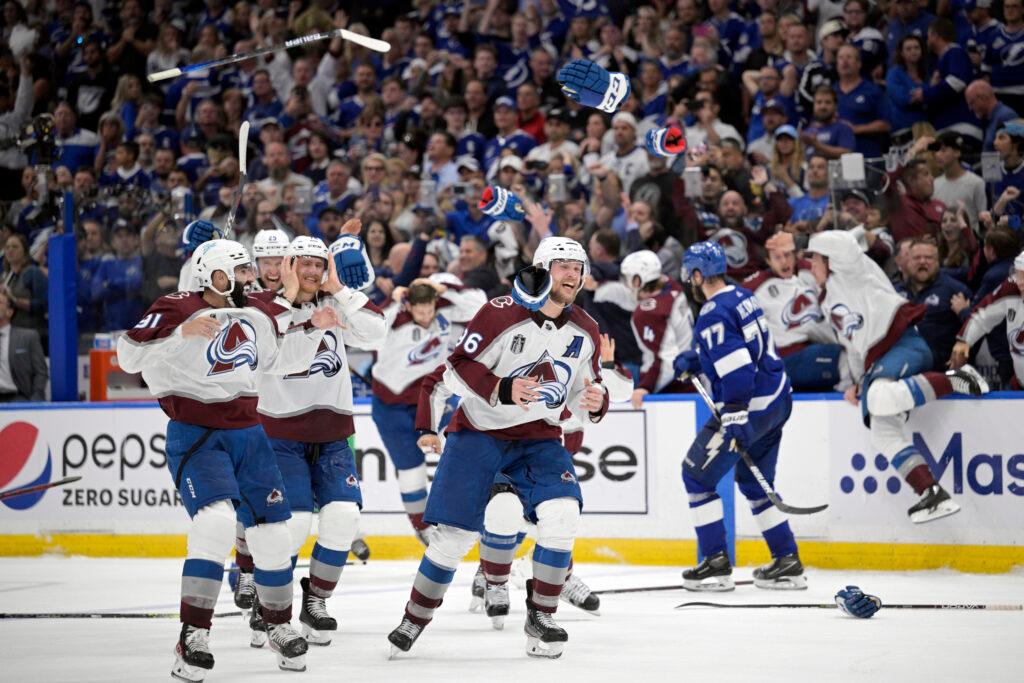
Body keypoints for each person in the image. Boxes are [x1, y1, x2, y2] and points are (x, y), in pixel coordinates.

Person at [116, 239, 341, 679]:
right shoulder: (176, 307)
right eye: (236, 273)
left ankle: (278, 624)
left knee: (275, 532)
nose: (246, 279)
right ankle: (192, 636)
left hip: (249, 435)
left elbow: (277, 361)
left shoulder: (255, 311)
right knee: (215, 523)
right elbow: (128, 355)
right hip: (197, 435)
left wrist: (313, 329)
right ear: (210, 274)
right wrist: (178, 334)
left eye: (245, 272)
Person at [387, 237, 610, 660]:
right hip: (479, 433)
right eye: (562, 265)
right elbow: (454, 370)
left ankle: (541, 616)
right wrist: (500, 389)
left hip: (539, 438)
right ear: (542, 269)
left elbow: (586, 390)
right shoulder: (499, 313)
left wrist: (598, 403)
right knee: (452, 538)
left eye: (577, 268)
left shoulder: (587, 329)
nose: (571, 274)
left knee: (563, 514)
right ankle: (413, 619)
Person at [231, 236, 385, 648]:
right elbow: (271, 358)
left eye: (321, 265)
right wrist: (302, 318)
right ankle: (269, 604)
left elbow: (376, 332)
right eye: (306, 264)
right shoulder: (261, 305)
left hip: (332, 434)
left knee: (342, 520)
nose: (313, 272)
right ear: (288, 265)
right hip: (279, 434)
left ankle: (315, 601)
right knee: (293, 526)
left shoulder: (334, 302)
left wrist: (340, 291)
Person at [805, 230, 990, 524]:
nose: (809, 264)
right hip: (877, 362)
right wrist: (858, 381)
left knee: (878, 398)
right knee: (882, 433)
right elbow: (853, 348)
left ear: (829, 258)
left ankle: (957, 380)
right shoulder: (828, 302)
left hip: (903, 343)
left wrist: (820, 238)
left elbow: (846, 245)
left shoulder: (852, 270)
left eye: (813, 257)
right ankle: (931, 493)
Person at [673, 241, 805, 591]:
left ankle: (715, 564)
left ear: (699, 274)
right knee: (752, 481)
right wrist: (699, 358)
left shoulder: (712, 313)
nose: (691, 283)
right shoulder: (742, 295)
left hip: (750, 406)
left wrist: (734, 417)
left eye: (692, 277)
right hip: (777, 400)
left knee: (696, 476)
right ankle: (787, 560)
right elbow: (740, 347)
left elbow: (737, 370)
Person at [370, 278, 486, 541]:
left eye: (429, 309)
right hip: (391, 407)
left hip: (434, 399)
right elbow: (368, 330)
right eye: (418, 311)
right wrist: (392, 299)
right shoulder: (394, 319)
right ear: (408, 305)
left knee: (467, 446)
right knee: (411, 470)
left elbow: (480, 304)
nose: (425, 316)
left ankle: (477, 511)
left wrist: (447, 289)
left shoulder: (444, 309)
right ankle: (422, 528)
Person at [743, 232, 846, 392]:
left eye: (787, 255)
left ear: (795, 255)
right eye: (777, 257)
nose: (784, 261)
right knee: (845, 359)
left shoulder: (809, 272)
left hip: (818, 347)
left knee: (855, 352)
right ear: (768, 261)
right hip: (788, 358)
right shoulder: (757, 287)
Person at [620, 250, 694, 409]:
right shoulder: (671, 286)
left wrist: (646, 387)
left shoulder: (648, 313)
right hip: (690, 378)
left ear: (638, 280)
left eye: (628, 278)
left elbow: (665, 358)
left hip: (674, 389)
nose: (626, 284)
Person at [951, 250, 1024, 389]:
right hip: (1019, 383)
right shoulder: (1011, 286)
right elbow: (982, 316)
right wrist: (964, 341)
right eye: (1019, 275)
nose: (1021, 283)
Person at [903, 238, 974, 372]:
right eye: (917, 257)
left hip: (944, 375)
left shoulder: (955, 290)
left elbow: (975, 328)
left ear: (937, 261)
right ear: (908, 262)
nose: (922, 261)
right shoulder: (895, 292)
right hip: (905, 373)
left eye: (928, 257)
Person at [0, 290, 47, 402]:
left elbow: (40, 372)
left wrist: (35, 399)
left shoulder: (28, 337)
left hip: (18, 398)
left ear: (10, 312)